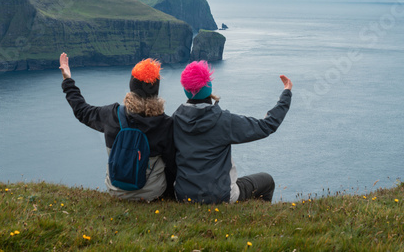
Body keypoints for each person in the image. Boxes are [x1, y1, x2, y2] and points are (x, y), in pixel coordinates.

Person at [59, 53, 176, 201]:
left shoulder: (112, 115)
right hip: (152, 193)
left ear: (132, 86)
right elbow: (172, 165)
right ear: (155, 91)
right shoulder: (165, 124)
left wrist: (67, 80)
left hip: (116, 191)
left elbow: (82, 111)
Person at [172, 60, 292, 204]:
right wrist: (286, 93)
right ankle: (259, 217)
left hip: (184, 195)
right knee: (267, 181)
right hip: (219, 195)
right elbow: (267, 125)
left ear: (186, 89)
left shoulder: (175, 120)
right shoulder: (223, 121)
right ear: (209, 87)